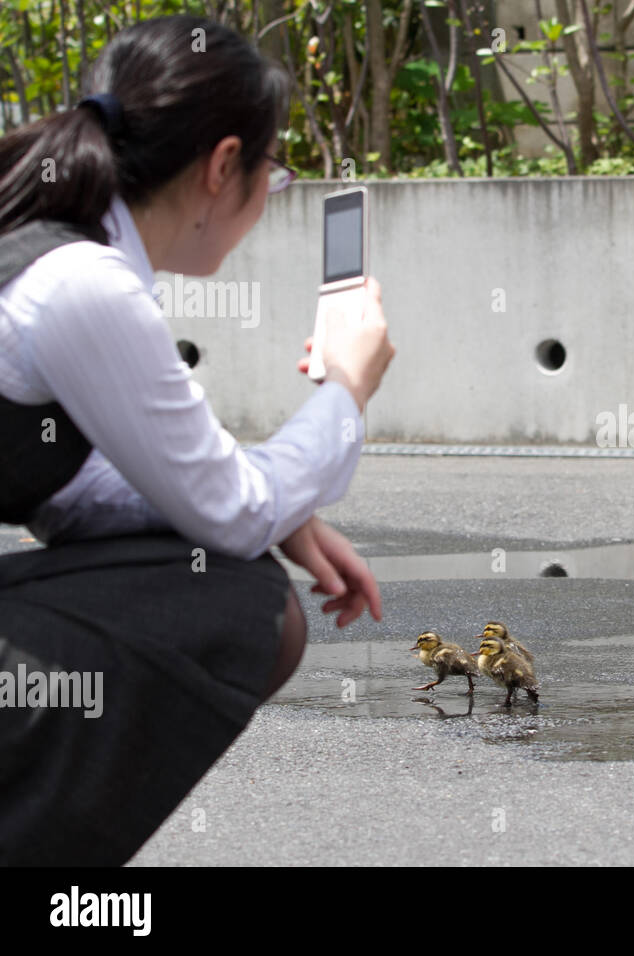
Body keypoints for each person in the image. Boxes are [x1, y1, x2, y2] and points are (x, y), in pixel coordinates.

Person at [0, 15, 395, 864]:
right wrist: (347, 388)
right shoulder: (81, 285)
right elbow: (232, 511)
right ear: (224, 167)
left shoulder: (50, 247)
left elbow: (76, 495)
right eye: (271, 171)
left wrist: (288, 513)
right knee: (238, 603)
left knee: (224, 576)